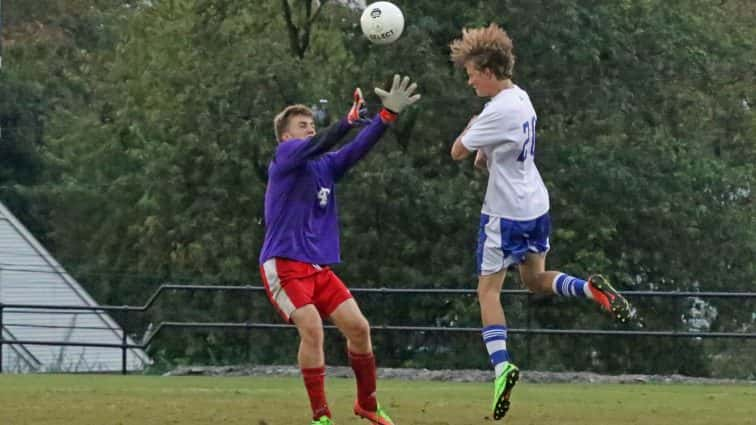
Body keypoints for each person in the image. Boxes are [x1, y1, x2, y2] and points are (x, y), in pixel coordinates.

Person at [448, 24, 637, 421]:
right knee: (535, 280)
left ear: (486, 69)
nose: (469, 80)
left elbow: (458, 152)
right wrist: (487, 150)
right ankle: (590, 290)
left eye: (470, 72)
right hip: (536, 203)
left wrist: (470, 127)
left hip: (504, 213)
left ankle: (501, 368)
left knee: (488, 293)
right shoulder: (522, 99)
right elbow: (492, 155)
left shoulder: (494, 109)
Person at [259, 75, 421, 425]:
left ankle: (367, 404)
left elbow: (356, 149)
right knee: (313, 329)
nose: (310, 130)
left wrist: (386, 116)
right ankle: (321, 416)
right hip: (284, 264)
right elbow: (327, 141)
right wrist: (347, 120)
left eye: (311, 124)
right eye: (303, 126)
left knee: (359, 329)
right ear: (287, 136)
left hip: (317, 268)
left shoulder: (325, 167)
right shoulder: (285, 156)